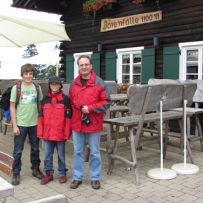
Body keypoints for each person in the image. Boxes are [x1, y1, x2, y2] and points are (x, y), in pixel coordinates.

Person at [69, 55, 111, 189]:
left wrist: (91, 108)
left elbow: (107, 102)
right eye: (81, 65)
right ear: (78, 67)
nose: (84, 67)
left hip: (93, 122)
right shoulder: (73, 83)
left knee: (94, 152)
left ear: (91, 66)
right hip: (77, 123)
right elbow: (71, 102)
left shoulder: (99, 82)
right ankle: (77, 177)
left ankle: (95, 178)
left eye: (86, 64)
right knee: (77, 152)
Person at [10, 63, 44, 185]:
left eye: (30, 73)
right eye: (26, 74)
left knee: (35, 148)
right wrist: (14, 125)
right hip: (21, 124)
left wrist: (41, 121)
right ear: (22, 75)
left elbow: (40, 104)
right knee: (18, 150)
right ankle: (15, 172)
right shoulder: (16, 88)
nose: (28, 76)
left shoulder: (37, 87)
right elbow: (12, 107)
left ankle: (35, 169)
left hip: (34, 123)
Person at [37, 76, 72, 185]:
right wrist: (40, 132)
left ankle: (62, 174)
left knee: (61, 155)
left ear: (60, 85)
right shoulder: (44, 99)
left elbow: (68, 118)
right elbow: (41, 117)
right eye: (52, 84)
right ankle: (49, 174)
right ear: (49, 85)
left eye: (57, 84)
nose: (55, 86)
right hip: (47, 134)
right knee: (47, 155)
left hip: (60, 134)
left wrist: (67, 133)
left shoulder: (66, 99)